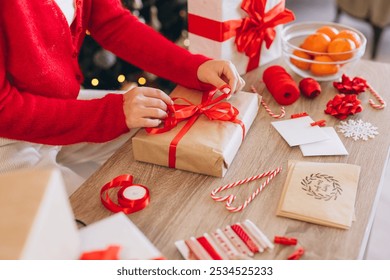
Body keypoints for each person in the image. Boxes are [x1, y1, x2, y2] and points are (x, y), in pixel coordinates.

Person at [0, 0, 245, 195]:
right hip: (8, 143)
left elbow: (112, 22)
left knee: (166, 147)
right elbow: (4, 109)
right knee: (96, 219)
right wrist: (113, 114)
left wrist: (193, 67)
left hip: (60, 111)